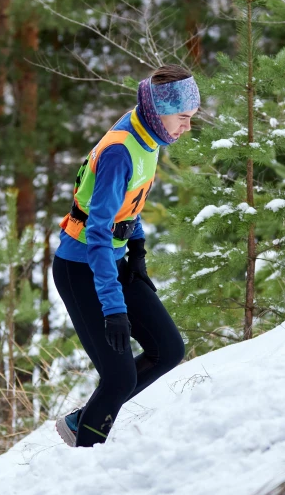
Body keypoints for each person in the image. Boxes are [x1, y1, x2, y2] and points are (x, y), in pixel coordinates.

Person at [53, 65, 199, 447]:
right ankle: (85, 453)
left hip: (115, 257)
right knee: (119, 377)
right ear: (159, 110)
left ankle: (83, 421)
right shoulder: (121, 150)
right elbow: (98, 234)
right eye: (183, 118)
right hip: (82, 267)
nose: (187, 127)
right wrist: (114, 308)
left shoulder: (147, 134)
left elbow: (130, 204)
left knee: (168, 349)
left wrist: (137, 249)